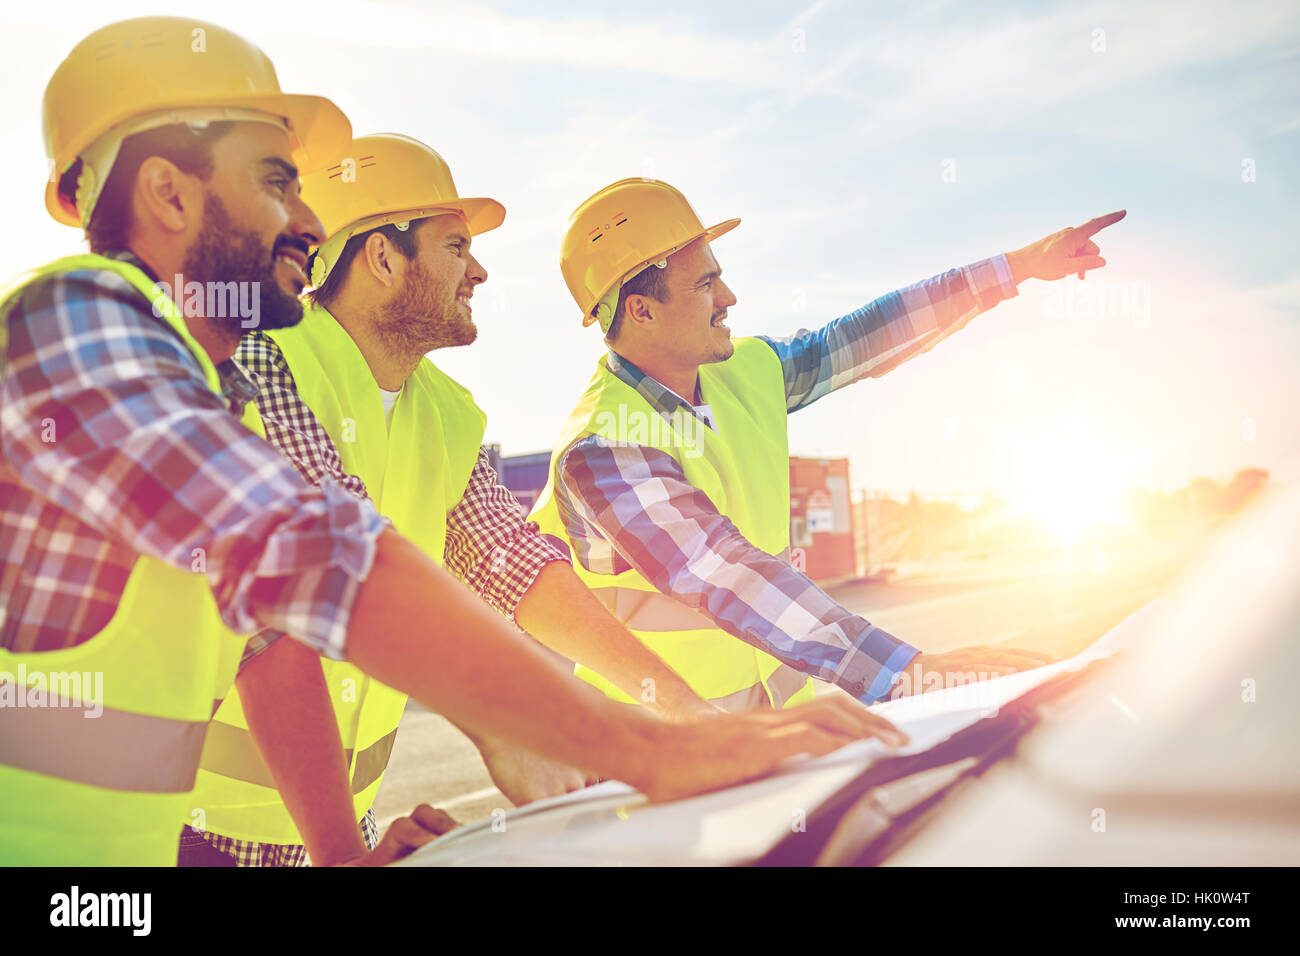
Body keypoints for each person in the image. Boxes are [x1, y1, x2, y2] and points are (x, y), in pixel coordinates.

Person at [0, 19, 905, 866]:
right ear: (166, 190)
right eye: (278, 182)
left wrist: (339, 853)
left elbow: (320, 618)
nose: (307, 225)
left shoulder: (222, 385)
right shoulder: (69, 327)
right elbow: (314, 558)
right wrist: (644, 747)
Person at [187, 133, 721, 866]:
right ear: (382, 257)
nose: (479, 270)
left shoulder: (443, 411)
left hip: (322, 831)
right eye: (454, 246)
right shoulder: (262, 366)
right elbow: (326, 583)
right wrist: (515, 722)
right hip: (182, 829)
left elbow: (515, 565)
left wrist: (677, 706)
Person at [533, 178, 1124, 710]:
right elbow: (723, 573)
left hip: (781, 739)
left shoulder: (745, 372)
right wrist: (905, 674)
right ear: (641, 310)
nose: (729, 298)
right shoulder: (605, 448)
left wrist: (1016, 268)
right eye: (707, 283)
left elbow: (864, 337)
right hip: (665, 771)